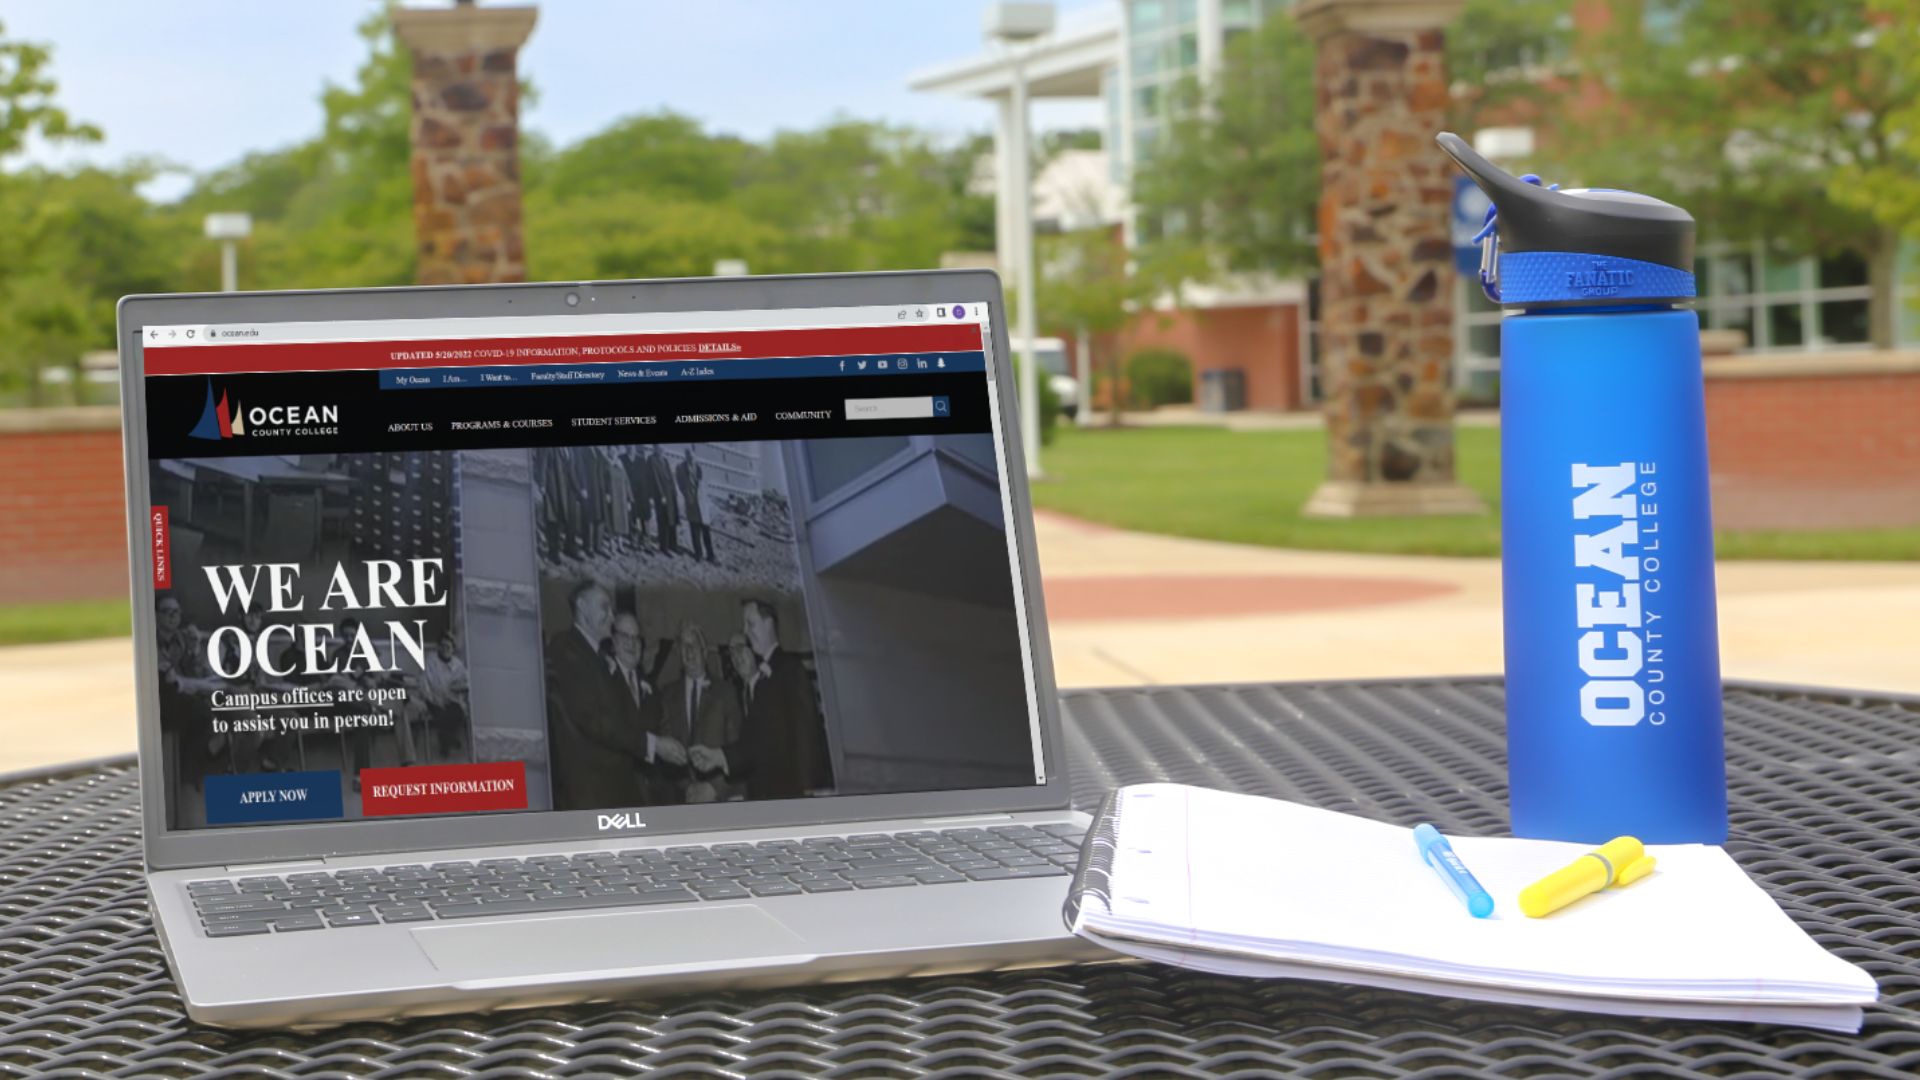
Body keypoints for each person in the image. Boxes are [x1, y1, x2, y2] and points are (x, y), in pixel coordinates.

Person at [544, 582, 685, 810]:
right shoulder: (566, 648)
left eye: (636, 638)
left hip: (613, 795)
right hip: (590, 795)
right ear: (582, 606)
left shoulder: (594, 657)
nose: (611, 616)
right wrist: (654, 744)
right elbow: (593, 719)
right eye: (604, 607)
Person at [689, 600, 833, 799]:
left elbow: (806, 738)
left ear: (769, 624)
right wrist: (718, 757)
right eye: (744, 626)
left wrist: (809, 794)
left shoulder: (789, 670)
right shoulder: (765, 678)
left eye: (751, 624)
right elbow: (757, 743)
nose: (746, 631)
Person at [663, 622, 735, 803]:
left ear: (704, 652)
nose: (689, 651)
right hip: (681, 800)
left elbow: (736, 748)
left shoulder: (726, 692)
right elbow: (665, 747)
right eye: (683, 646)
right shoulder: (667, 695)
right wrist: (687, 787)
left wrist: (715, 789)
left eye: (693, 645)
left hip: (719, 798)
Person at [420, 631, 470, 760]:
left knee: (457, 712)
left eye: (448, 647)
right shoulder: (431, 660)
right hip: (434, 699)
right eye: (442, 646)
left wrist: (457, 690)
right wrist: (434, 699)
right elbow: (424, 683)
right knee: (441, 714)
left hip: (452, 700)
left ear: (453, 649)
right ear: (438, 647)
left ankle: (448, 739)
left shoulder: (458, 665)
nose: (445, 649)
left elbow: (465, 685)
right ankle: (447, 743)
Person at [676, 448, 716, 562]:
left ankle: (710, 555)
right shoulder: (680, 468)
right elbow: (680, 484)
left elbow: (705, 484)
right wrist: (687, 495)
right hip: (691, 503)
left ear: (695, 456)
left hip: (702, 504)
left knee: (706, 531)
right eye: (688, 455)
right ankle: (698, 554)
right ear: (685, 455)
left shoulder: (699, 467)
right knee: (694, 531)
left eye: (692, 455)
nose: (690, 457)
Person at [647, 446, 679, 555]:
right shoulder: (651, 459)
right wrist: (661, 495)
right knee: (663, 520)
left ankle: (673, 545)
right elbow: (655, 478)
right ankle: (664, 546)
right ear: (655, 448)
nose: (661, 450)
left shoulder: (665, 460)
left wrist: (674, 490)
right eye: (659, 448)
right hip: (661, 495)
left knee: (672, 518)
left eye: (662, 448)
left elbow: (670, 476)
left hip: (670, 494)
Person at [623, 446, 656, 549]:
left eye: (632, 446)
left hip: (643, 494)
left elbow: (648, 479)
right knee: (633, 517)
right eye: (628, 447)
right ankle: (634, 541)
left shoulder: (641, 460)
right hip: (630, 493)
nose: (631, 448)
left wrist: (650, 495)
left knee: (645, 517)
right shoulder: (622, 459)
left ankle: (646, 542)